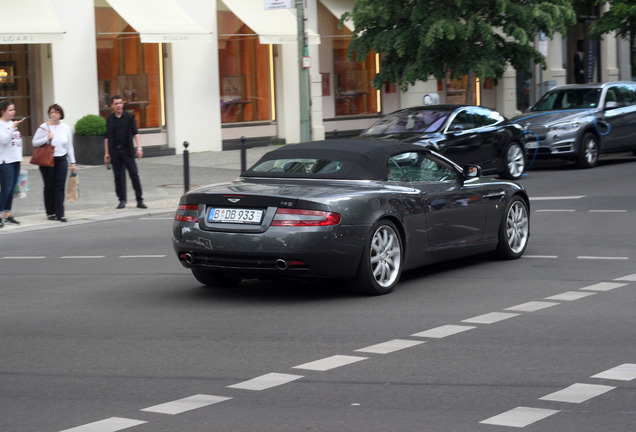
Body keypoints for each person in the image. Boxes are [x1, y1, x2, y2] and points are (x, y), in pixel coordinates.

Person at [32, 103, 76, 222]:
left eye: (56, 112)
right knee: (49, 186)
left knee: (59, 186)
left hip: (61, 159)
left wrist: (73, 162)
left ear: (60, 114)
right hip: (48, 160)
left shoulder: (66, 127)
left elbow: (69, 146)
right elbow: (34, 143)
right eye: (52, 112)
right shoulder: (44, 127)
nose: (54, 114)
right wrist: (47, 138)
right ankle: (50, 212)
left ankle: (60, 213)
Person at [104, 95, 146, 209]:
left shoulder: (129, 117)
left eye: (120, 103)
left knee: (134, 175)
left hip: (127, 151)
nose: (119, 105)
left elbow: (135, 133)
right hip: (115, 152)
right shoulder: (110, 119)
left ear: (123, 104)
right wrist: (106, 153)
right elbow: (107, 137)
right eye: (116, 103)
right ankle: (122, 199)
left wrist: (139, 148)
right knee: (118, 177)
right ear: (112, 105)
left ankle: (139, 199)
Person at [0, 101, 26, 228]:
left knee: (11, 190)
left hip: (15, 160)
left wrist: (20, 158)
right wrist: (12, 128)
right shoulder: (2, 124)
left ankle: (7, 215)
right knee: (6, 189)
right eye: (10, 110)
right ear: (3, 111)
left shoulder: (12, 124)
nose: (13, 112)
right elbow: (4, 140)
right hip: (5, 162)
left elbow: (17, 142)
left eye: (13, 109)